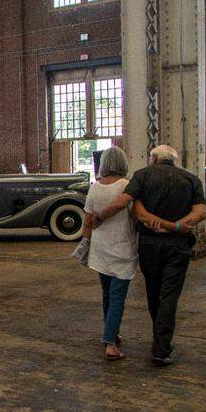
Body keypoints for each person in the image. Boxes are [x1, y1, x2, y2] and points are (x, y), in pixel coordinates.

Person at [94, 145, 206, 366]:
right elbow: (200, 212)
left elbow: (132, 207)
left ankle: (159, 338)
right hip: (178, 246)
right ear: (174, 160)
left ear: (154, 159)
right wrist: (175, 226)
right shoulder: (191, 179)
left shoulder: (142, 176)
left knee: (154, 293)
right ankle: (161, 347)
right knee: (169, 296)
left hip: (150, 245)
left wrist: (98, 218)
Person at [81, 146, 137, 361]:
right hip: (122, 248)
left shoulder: (95, 187)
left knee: (107, 294)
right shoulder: (127, 186)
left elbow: (88, 220)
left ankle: (111, 332)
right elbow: (136, 215)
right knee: (118, 297)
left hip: (100, 249)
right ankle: (111, 344)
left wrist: (84, 245)